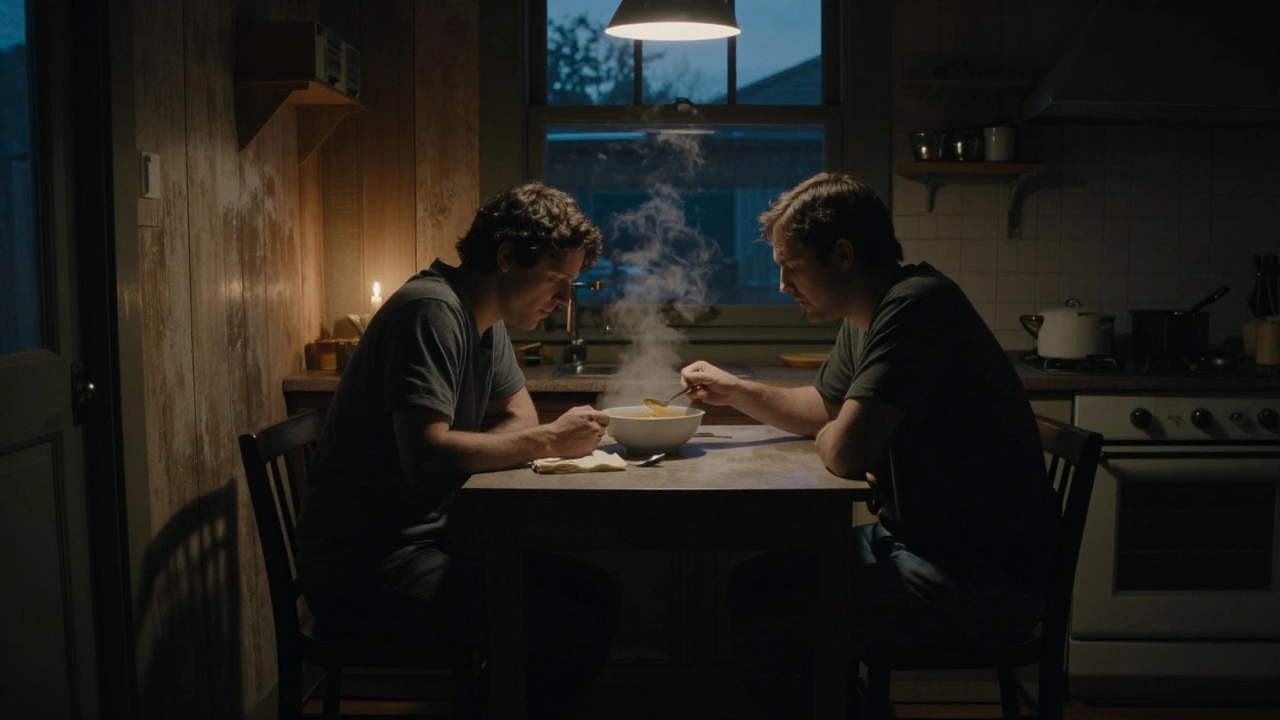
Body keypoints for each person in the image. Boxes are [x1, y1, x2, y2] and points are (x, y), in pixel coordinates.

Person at [680, 172, 1058, 719]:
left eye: (791, 265)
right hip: (925, 544)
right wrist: (736, 390)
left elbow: (844, 450)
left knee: (776, 618)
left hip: (978, 577)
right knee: (756, 584)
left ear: (842, 254)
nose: (783, 283)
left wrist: (847, 436)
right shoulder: (871, 315)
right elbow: (827, 411)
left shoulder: (916, 307)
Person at [295, 182, 622, 719]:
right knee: (566, 624)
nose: (567, 298)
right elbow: (426, 458)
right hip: (366, 570)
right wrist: (542, 443)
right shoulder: (430, 311)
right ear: (507, 257)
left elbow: (520, 417)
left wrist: (468, 472)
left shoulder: (483, 322)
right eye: (558, 281)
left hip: (428, 545)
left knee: (596, 593)